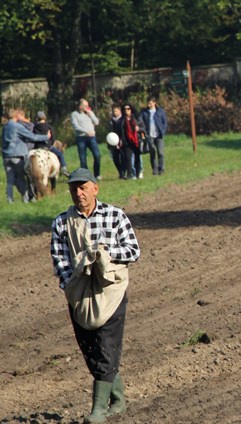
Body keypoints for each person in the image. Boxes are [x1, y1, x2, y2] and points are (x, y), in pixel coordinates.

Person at [50, 168, 140, 423]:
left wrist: (105, 254)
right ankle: (118, 399)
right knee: (90, 348)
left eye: (83, 188)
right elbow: (60, 260)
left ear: (95, 189)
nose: (78, 193)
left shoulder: (115, 215)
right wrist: (72, 284)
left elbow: (133, 250)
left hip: (111, 290)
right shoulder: (61, 222)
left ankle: (98, 410)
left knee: (106, 344)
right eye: (73, 189)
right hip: (79, 294)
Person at [2, 109, 51, 203]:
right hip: (17, 155)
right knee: (21, 178)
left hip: (6, 156)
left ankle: (10, 200)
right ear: (16, 116)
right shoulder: (17, 127)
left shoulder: (5, 127)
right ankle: (26, 199)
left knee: (10, 180)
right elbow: (32, 137)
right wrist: (46, 137)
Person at [71, 98, 102, 180]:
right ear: (80, 106)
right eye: (85, 106)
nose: (87, 107)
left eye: (87, 105)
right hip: (81, 138)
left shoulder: (89, 113)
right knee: (83, 158)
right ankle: (86, 176)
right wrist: (86, 132)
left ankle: (97, 174)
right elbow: (76, 126)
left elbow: (97, 122)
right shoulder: (74, 114)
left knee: (97, 155)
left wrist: (90, 114)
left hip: (91, 138)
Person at [33, 111, 70, 177]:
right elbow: (53, 138)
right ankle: (64, 169)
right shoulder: (49, 126)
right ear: (44, 118)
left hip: (37, 147)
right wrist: (50, 143)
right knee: (60, 154)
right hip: (48, 147)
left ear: (36, 118)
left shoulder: (35, 127)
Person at [139, 96, 167, 176]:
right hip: (149, 135)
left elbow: (164, 122)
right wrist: (143, 130)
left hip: (159, 135)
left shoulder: (160, 111)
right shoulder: (144, 112)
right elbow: (140, 121)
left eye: (150, 103)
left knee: (160, 152)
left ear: (154, 103)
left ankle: (161, 169)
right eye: (148, 103)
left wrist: (163, 131)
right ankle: (155, 169)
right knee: (152, 152)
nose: (149, 105)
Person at [118, 103, 143, 180]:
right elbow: (119, 131)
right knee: (128, 159)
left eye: (128, 109)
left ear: (131, 109)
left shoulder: (137, 118)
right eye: (125, 109)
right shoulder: (121, 120)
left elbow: (143, 128)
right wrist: (120, 140)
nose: (126, 111)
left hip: (136, 141)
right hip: (126, 142)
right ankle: (130, 175)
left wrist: (139, 129)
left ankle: (138, 173)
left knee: (137, 158)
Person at [108, 105, 128, 179]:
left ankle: (123, 173)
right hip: (113, 142)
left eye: (116, 111)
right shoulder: (111, 121)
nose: (114, 113)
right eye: (113, 111)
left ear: (119, 111)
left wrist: (121, 140)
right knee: (115, 158)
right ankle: (120, 172)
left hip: (123, 142)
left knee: (124, 158)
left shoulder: (124, 119)